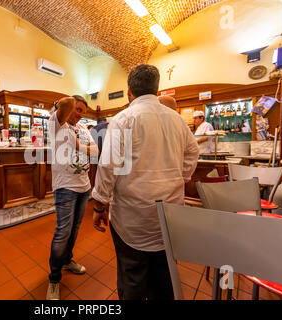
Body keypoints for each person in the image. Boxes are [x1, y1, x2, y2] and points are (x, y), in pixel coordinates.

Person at [92, 64, 199, 300]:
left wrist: (99, 204)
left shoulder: (123, 119)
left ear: (129, 91)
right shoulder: (177, 120)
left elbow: (108, 165)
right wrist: (179, 178)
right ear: (156, 88)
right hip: (169, 211)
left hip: (133, 215)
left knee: (133, 276)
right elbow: (193, 152)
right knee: (165, 274)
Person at [46, 95, 99, 300]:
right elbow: (67, 103)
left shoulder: (84, 129)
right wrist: (64, 106)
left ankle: (67, 260)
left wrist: (77, 146)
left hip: (84, 187)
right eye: (77, 109)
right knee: (62, 233)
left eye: (82, 111)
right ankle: (54, 279)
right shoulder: (57, 124)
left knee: (74, 230)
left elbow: (95, 152)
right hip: (65, 187)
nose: (79, 114)